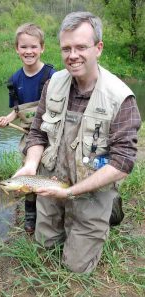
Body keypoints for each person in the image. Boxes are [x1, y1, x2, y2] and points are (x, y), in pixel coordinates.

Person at [13, 12, 141, 273]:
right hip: (51, 184)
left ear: (98, 48)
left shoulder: (121, 98)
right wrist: (30, 164)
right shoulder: (53, 83)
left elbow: (123, 161)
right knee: (45, 247)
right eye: (66, 48)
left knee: (75, 268)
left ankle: (106, 214)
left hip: (91, 191)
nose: (73, 55)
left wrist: (71, 192)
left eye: (81, 47)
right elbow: (37, 133)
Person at [0, 23, 56, 234]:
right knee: (27, 172)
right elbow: (16, 109)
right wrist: (7, 118)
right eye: (23, 47)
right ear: (16, 49)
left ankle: (52, 208)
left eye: (33, 47)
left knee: (50, 170)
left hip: (51, 130)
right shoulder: (14, 79)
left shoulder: (52, 74)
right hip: (28, 134)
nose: (28, 51)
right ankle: (31, 213)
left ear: (42, 48)